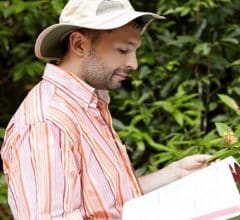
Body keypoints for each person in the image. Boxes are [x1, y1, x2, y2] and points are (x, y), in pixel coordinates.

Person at [0, 0, 211, 219]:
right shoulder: (47, 123)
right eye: (122, 50)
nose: (134, 64)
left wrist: (176, 173)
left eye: (134, 51)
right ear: (79, 45)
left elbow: (110, 201)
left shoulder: (86, 106)